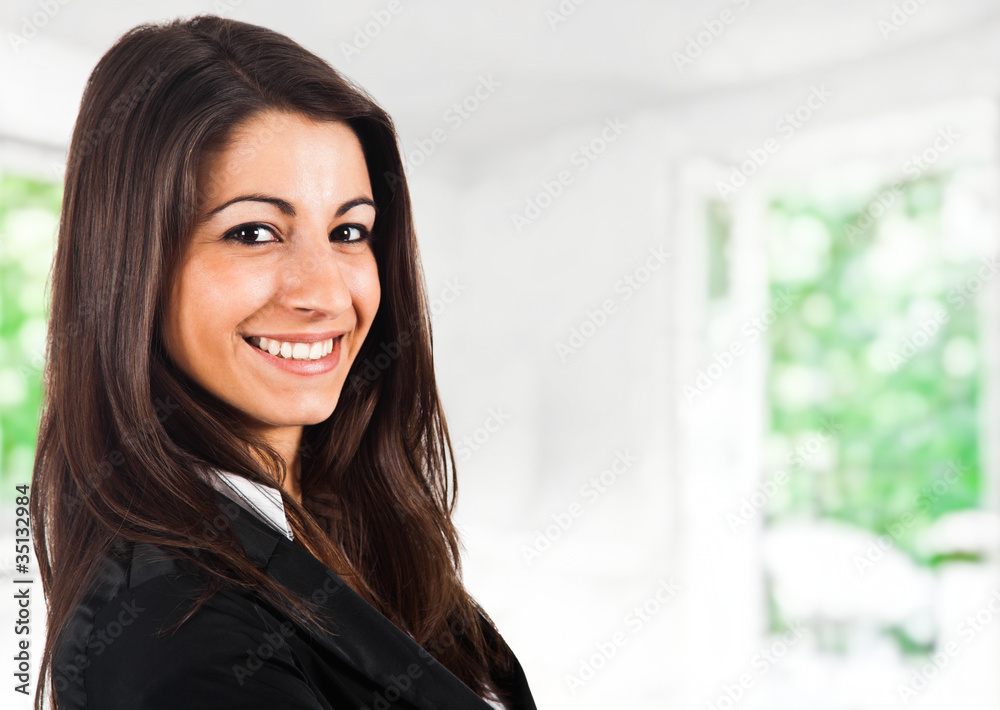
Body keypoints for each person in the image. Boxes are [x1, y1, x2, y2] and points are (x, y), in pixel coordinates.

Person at [29, 15, 536, 710]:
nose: (327, 293)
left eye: (348, 232)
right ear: (130, 266)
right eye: (254, 232)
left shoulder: (346, 529)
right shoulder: (169, 634)